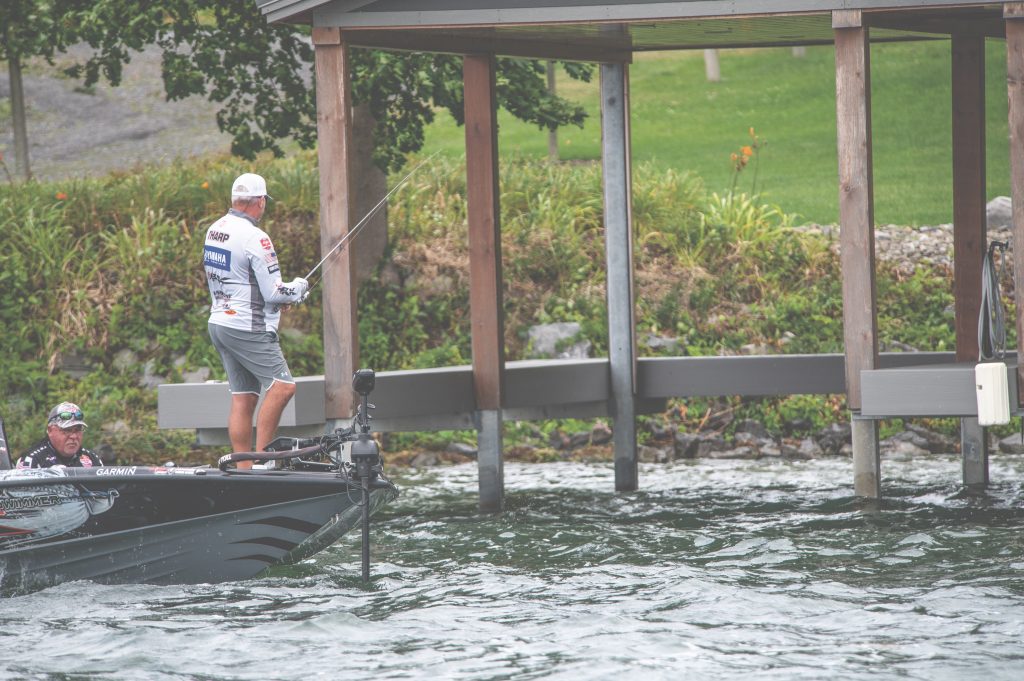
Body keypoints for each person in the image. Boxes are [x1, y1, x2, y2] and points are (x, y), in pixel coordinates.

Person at [203, 172, 309, 467]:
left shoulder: (215, 229)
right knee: (282, 387)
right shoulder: (256, 237)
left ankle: (244, 468)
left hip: (220, 323)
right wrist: (299, 289)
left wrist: (274, 299)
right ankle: (264, 462)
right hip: (246, 326)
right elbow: (276, 292)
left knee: (244, 397)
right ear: (260, 201)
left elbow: (236, 278)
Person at [17, 402, 103, 468]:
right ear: (50, 430)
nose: (73, 436)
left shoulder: (92, 459)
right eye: (67, 430)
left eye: (77, 430)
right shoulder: (32, 460)